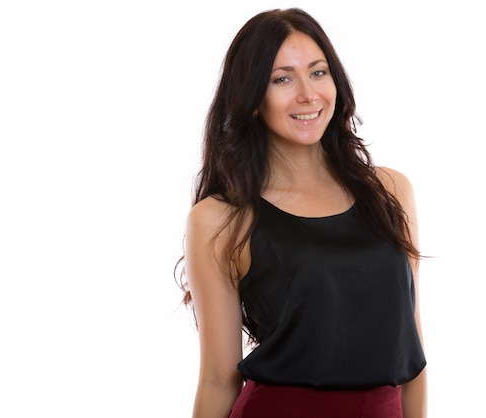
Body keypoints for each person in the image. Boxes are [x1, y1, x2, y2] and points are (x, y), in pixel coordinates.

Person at [175, 8, 427, 418]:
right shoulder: (220, 219)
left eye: (318, 72)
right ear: (252, 99)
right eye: (282, 79)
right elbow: (219, 380)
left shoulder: (391, 191)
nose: (308, 95)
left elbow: (412, 353)